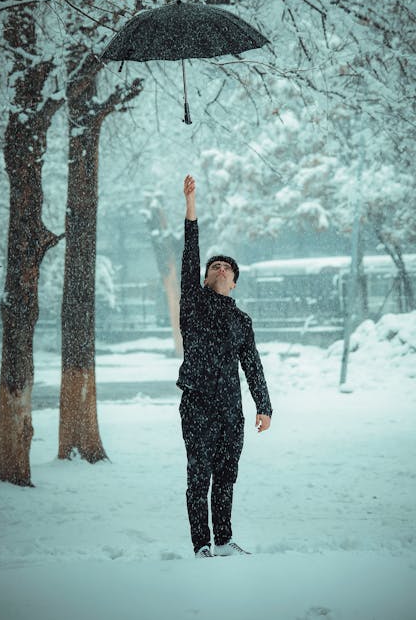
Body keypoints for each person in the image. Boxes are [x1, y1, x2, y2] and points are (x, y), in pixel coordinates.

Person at [177, 174, 272, 558]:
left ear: (234, 283)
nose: (219, 269)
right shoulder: (193, 305)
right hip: (198, 405)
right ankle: (202, 545)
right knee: (199, 479)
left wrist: (263, 406)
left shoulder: (241, 321)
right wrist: (191, 203)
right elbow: (190, 250)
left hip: (231, 409)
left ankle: (225, 541)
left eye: (226, 268)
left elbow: (253, 365)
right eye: (214, 266)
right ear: (204, 278)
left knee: (227, 479)